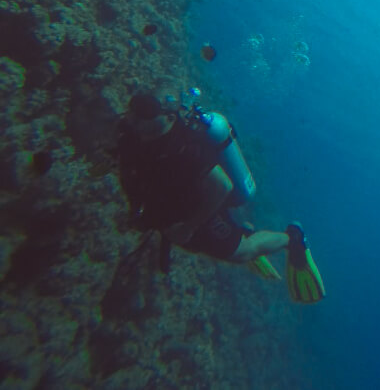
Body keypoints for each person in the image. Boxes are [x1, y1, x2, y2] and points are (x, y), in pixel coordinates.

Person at [116, 92, 325, 304]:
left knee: (243, 252)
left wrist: (189, 227)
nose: (133, 122)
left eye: (140, 118)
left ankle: (293, 239)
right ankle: (241, 231)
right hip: (174, 207)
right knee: (192, 243)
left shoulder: (187, 148)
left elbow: (222, 186)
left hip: (201, 210)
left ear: (161, 119)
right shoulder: (133, 132)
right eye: (133, 116)